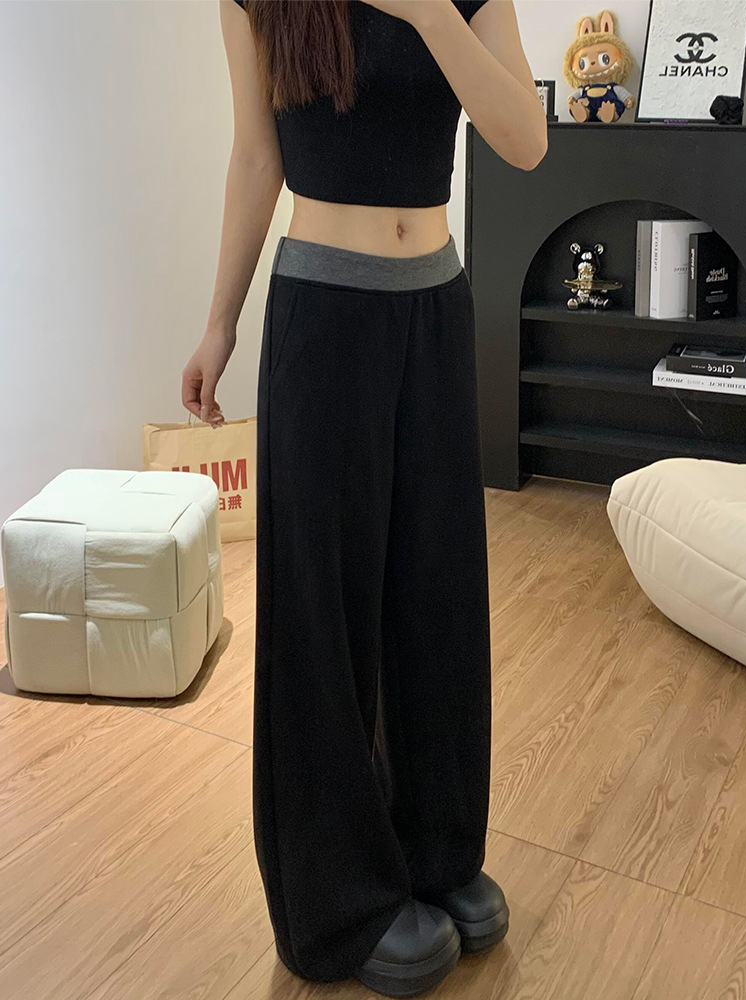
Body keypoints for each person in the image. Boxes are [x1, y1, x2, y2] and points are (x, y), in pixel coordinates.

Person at [181, 1, 547, 996]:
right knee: (323, 611)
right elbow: (256, 157)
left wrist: (429, 11)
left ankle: (435, 850)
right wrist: (219, 324)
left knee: (438, 595)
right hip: (323, 314)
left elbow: (524, 140)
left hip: (436, 307)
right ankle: (335, 902)